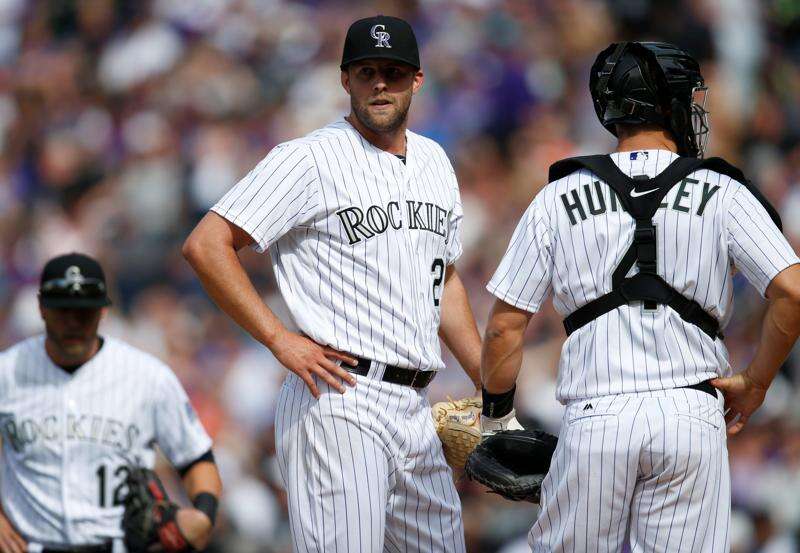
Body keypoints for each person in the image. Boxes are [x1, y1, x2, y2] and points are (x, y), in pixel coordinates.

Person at [479, 41, 800, 552]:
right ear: (669, 103)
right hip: (690, 415)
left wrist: (495, 417)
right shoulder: (723, 189)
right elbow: (793, 293)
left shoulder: (557, 196)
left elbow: (503, 327)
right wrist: (756, 382)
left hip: (595, 416)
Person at [182, 14, 482, 553]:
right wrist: (279, 339)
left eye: (393, 71)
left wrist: (492, 383)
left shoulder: (436, 160)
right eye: (366, 71)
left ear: (417, 79)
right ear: (345, 80)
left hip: (417, 408)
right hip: (340, 397)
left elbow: (445, 277)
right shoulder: (309, 158)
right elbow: (206, 245)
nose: (379, 84)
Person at [0, 253, 222, 553]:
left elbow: (195, 457)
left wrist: (203, 515)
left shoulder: (146, 376)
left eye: (84, 312)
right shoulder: (7, 372)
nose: (73, 322)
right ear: (42, 308)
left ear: (103, 310)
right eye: (63, 310)